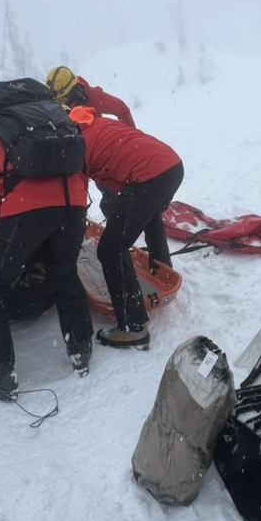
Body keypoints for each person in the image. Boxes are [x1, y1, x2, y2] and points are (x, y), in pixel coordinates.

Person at [0, 80, 95, 401]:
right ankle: (80, 346)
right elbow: (81, 173)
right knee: (64, 272)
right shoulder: (62, 131)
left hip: (26, 212)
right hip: (74, 205)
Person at [68, 105, 183, 350]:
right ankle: (161, 268)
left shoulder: (76, 145)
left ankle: (133, 327)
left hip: (149, 176)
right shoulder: (98, 123)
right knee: (146, 217)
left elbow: (76, 199)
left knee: (110, 249)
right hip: (171, 165)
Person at [46, 66, 136, 127]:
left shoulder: (92, 97)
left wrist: (130, 138)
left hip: (96, 143)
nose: (56, 103)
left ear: (70, 92)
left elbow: (121, 108)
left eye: (60, 100)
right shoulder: (51, 102)